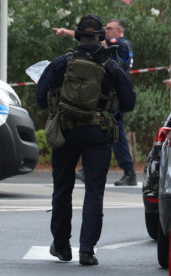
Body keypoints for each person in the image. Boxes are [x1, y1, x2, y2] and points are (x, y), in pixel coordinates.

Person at [37, 15, 136, 266]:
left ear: (78, 35)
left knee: (62, 188)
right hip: (97, 133)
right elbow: (129, 102)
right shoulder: (111, 65)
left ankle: (61, 246)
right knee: (94, 190)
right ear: (102, 36)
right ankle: (86, 250)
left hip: (66, 132)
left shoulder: (62, 62)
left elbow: (40, 97)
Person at [55, 20, 137, 186]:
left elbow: (97, 41)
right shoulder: (118, 44)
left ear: (119, 31)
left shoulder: (120, 43)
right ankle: (91, 170)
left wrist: (70, 32)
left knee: (112, 134)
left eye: (109, 28)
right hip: (114, 93)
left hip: (116, 96)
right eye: (104, 29)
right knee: (101, 131)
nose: (105, 31)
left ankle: (128, 171)